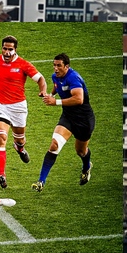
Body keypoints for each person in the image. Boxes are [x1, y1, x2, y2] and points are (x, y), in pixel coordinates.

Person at [0, 35, 46, 188]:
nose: (7, 52)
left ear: (15, 50)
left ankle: (19, 147)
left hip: (18, 107)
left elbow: (40, 79)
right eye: (4, 48)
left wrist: (43, 91)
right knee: (1, 138)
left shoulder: (23, 64)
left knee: (19, 138)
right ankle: (2, 174)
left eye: (10, 49)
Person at [32, 53, 95, 192]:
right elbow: (57, 85)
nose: (55, 68)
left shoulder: (73, 78)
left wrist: (56, 102)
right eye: (54, 65)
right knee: (54, 145)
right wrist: (51, 94)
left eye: (59, 65)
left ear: (67, 66)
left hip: (84, 120)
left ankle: (86, 167)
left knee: (81, 151)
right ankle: (41, 181)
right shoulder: (56, 76)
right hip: (67, 117)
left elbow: (79, 99)